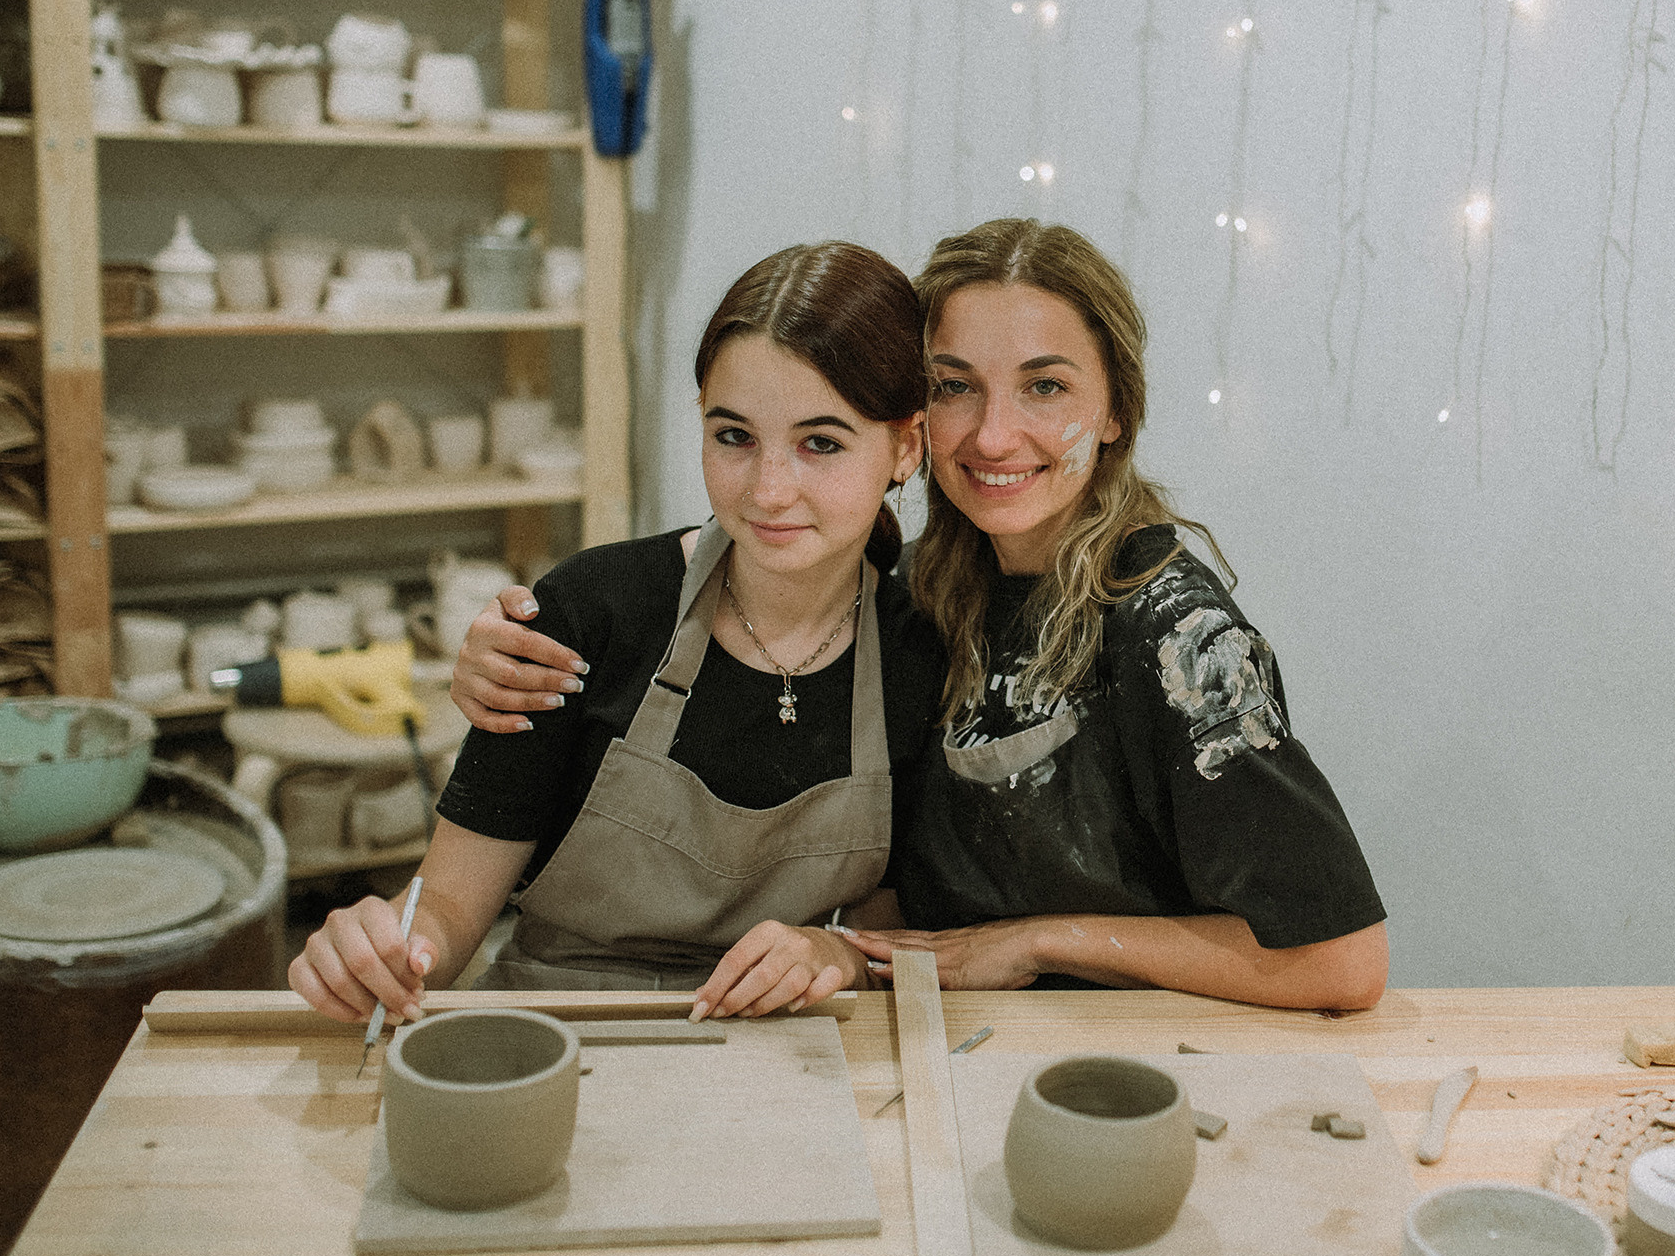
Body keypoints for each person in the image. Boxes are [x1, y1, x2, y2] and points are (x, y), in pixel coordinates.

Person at [452, 220, 1388, 1011]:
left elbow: (1344, 959)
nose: (991, 434)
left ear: (1115, 412)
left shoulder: (1172, 633)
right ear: (917, 426)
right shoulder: (939, 599)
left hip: (1126, 1072)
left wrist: (1034, 943)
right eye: (954, 385)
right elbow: (906, 891)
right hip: (959, 1051)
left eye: (1045, 386)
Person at [288, 242, 943, 1028]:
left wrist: (836, 954)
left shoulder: (920, 652)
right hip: (557, 1032)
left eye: (822, 443)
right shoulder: (593, 610)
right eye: (733, 436)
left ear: (906, 447)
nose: (769, 491)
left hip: (780, 1051)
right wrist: (383, 949)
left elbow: (895, 920)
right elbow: (451, 905)